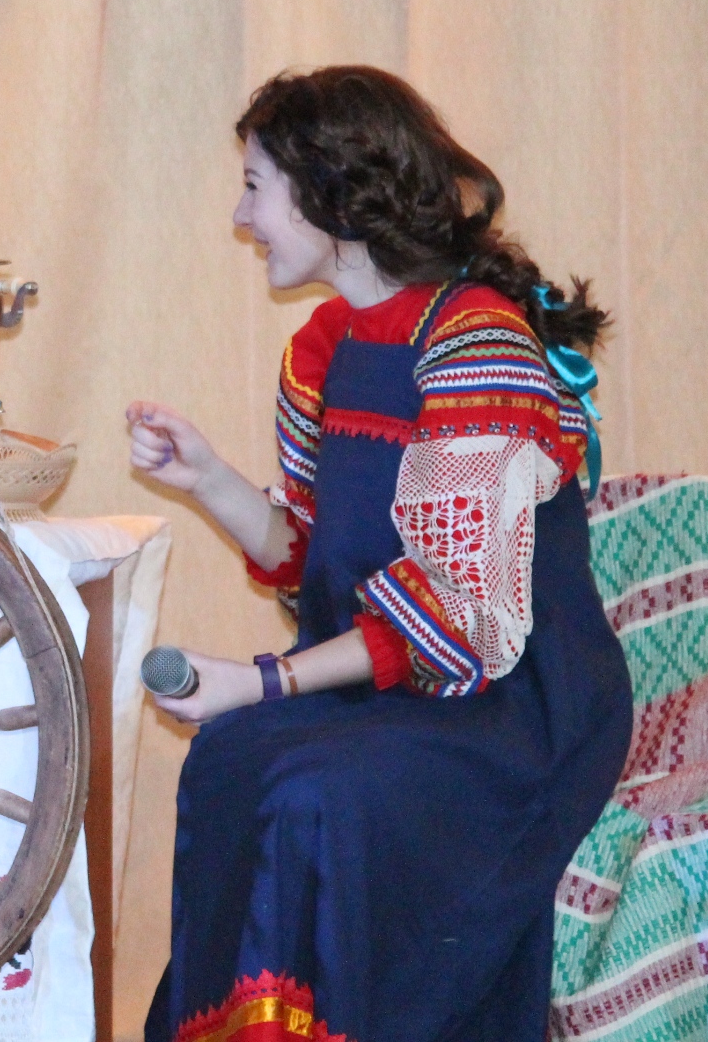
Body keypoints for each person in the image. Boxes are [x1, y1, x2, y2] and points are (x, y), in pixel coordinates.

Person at [131, 68, 632, 1042]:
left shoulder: (477, 345)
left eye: (254, 186)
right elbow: (313, 560)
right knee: (227, 761)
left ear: (330, 193)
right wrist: (208, 479)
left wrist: (261, 681)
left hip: (513, 705)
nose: (241, 217)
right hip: (392, 689)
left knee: (316, 793)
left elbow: (456, 621)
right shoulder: (321, 348)